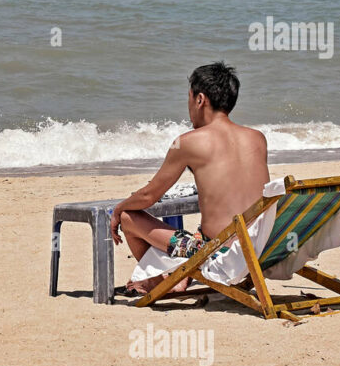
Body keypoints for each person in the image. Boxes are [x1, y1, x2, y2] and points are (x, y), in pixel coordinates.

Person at [109, 62, 270, 293]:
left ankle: (159, 281)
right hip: (258, 250)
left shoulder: (188, 142)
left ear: (200, 99)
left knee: (128, 217)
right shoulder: (257, 138)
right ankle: (180, 275)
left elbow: (149, 195)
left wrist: (117, 209)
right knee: (202, 231)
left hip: (218, 254)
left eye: (189, 98)